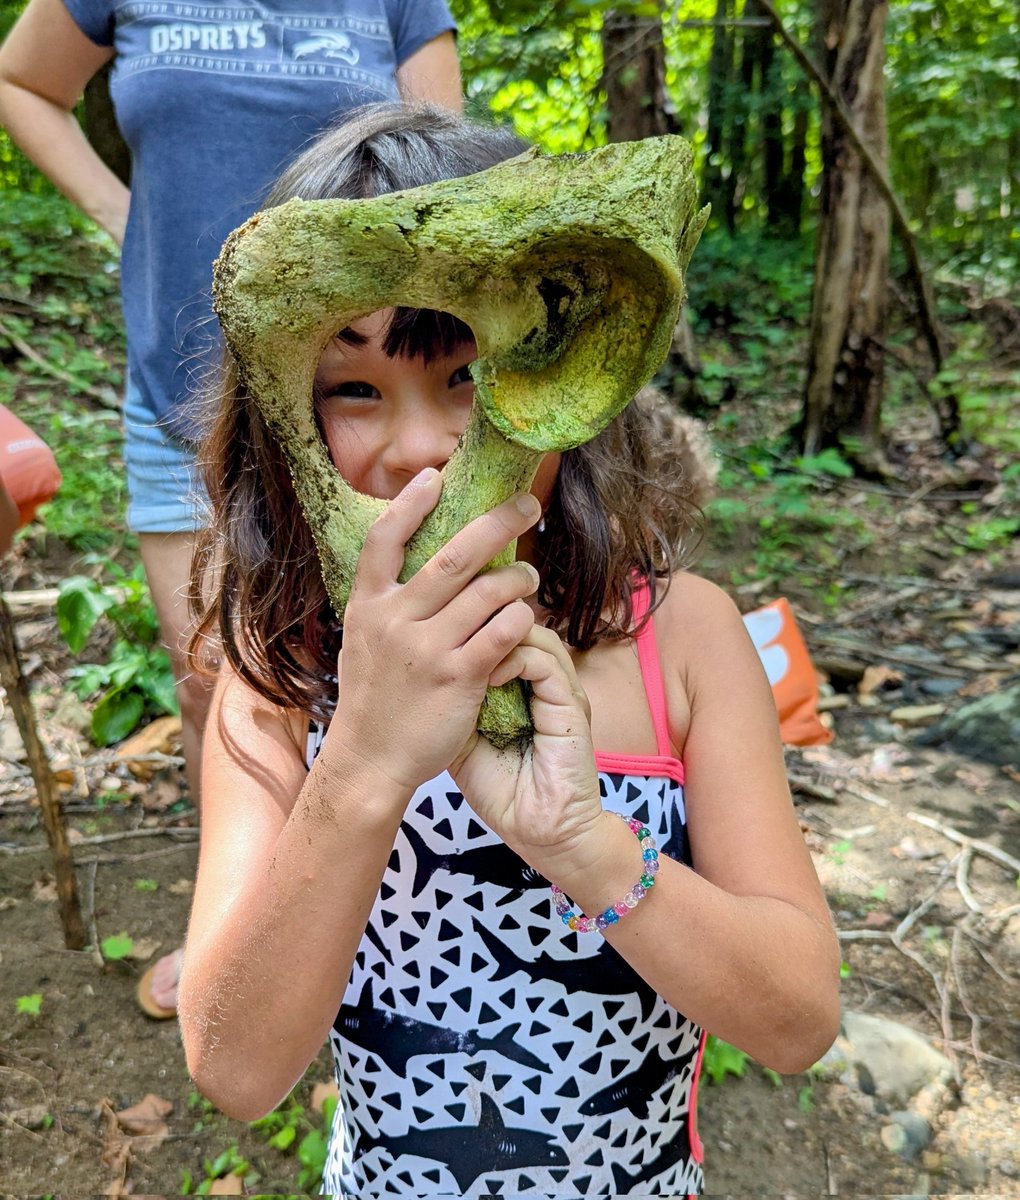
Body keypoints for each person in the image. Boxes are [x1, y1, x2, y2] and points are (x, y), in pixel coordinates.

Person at [178, 104, 840, 1196]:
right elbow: (236, 1071)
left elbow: (799, 1020)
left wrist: (586, 845)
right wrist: (364, 763)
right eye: (354, 389)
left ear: (570, 376)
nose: (420, 448)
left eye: (464, 375)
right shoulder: (283, 679)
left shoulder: (684, 640)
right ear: (284, 415)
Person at [0, 0, 461, 1016]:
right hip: (182, 389)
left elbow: (449, 178)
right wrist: (125, 216)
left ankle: (386, 939)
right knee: (219, 678)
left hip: (364, 404)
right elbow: (21, 80)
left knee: (385, 668)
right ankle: (240, 930)